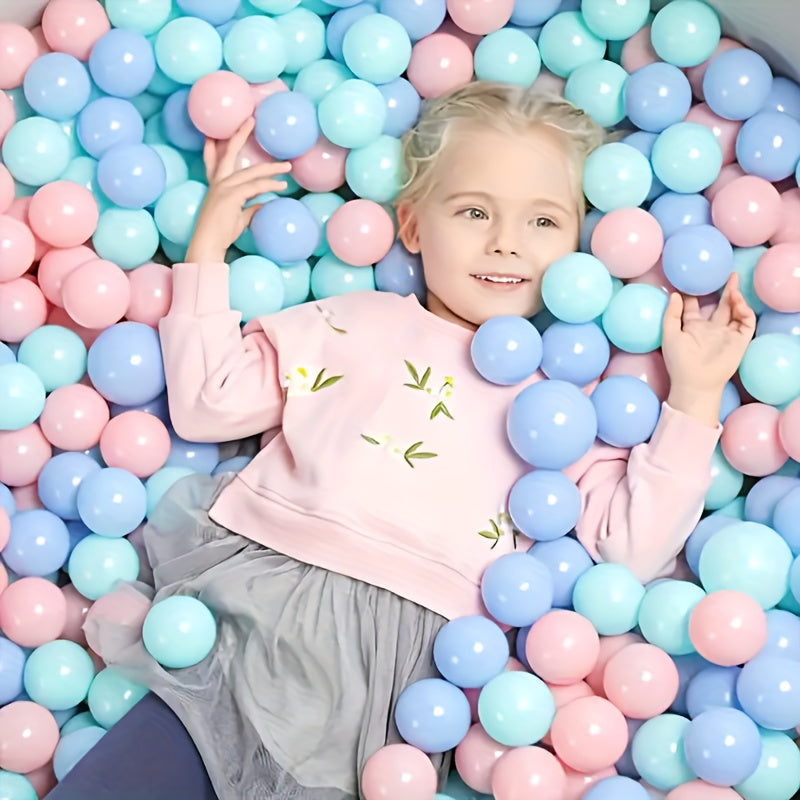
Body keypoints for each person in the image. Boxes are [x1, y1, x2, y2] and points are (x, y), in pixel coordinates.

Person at [51, 81, 756, 800]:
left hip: (395, 667)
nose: (505, 241)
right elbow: (208, 405)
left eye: (544, 221)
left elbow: (631, 549)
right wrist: (206, 248)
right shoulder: (359, 320)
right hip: (260, 607)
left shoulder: (561, 407)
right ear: (414, 226)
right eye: (474, 211)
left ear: (580, 243)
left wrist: (695, 394)